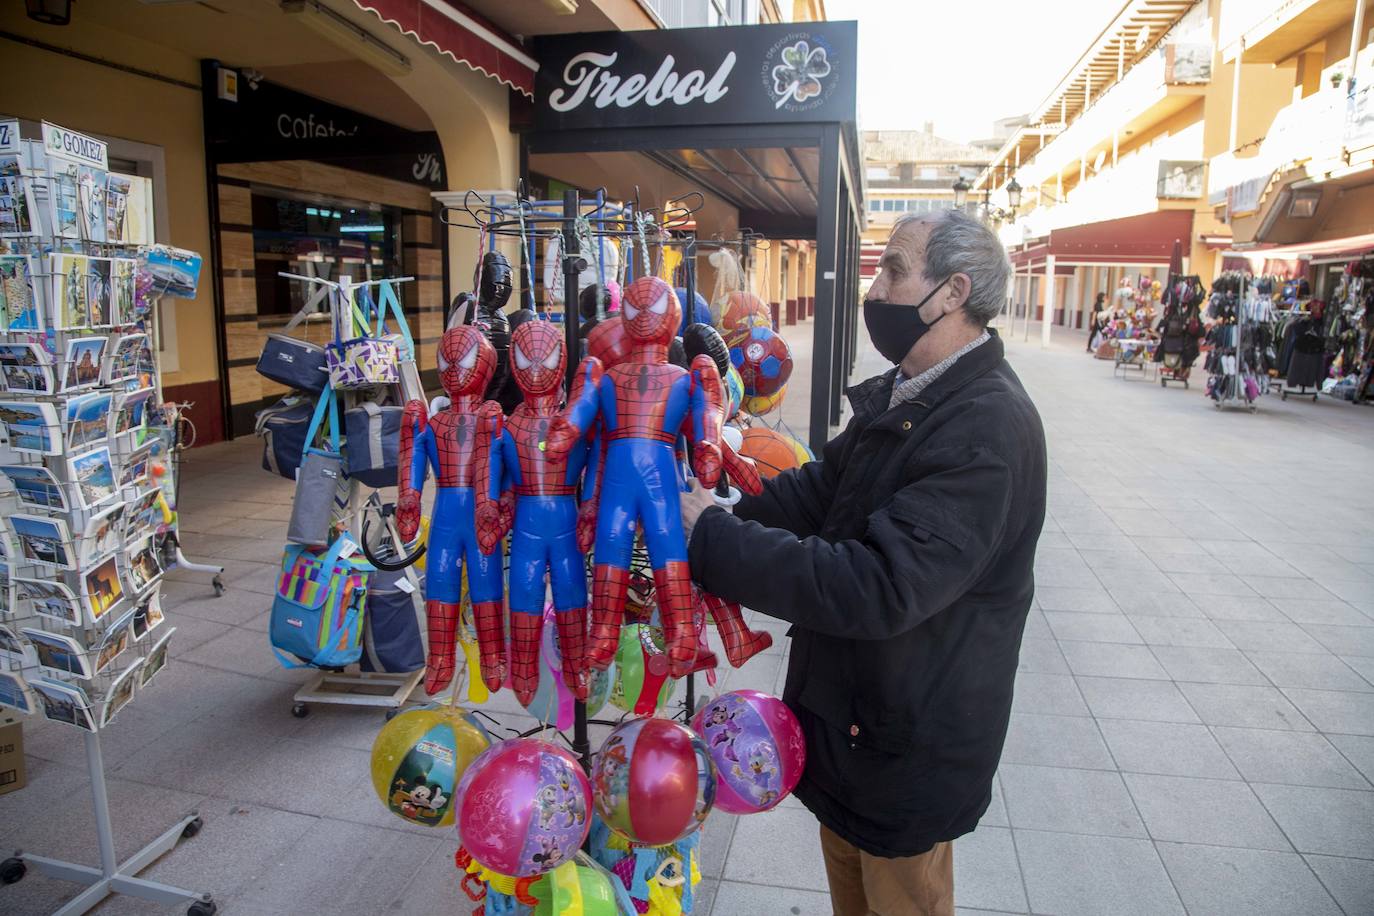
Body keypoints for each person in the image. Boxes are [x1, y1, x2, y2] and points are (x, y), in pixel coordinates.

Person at [681, 209, 1047, 916]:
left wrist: (716, 542)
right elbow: (818, 491)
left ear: (952, 293)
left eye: (895, 271)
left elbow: (876, 585)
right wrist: (712, 513)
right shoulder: (912, 394)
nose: (875, 290)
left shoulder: (985, 427)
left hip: (906, 745)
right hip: (856, 730)